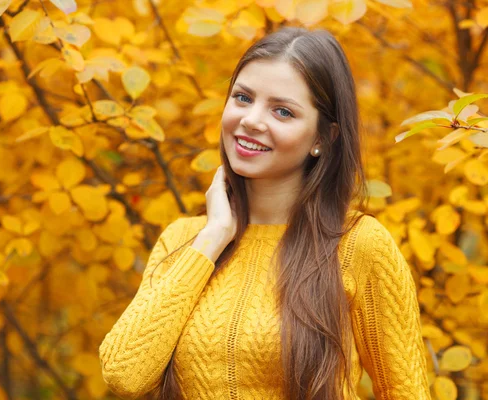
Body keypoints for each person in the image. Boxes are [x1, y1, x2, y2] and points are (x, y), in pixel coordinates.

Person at [98, 27, 431, 400]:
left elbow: (406, 392)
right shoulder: (184, 241)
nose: (252, 120)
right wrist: (213, 237)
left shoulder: (358, 245)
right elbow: (123, 375)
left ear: (323, 137)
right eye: (243, 98)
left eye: (283, 111)